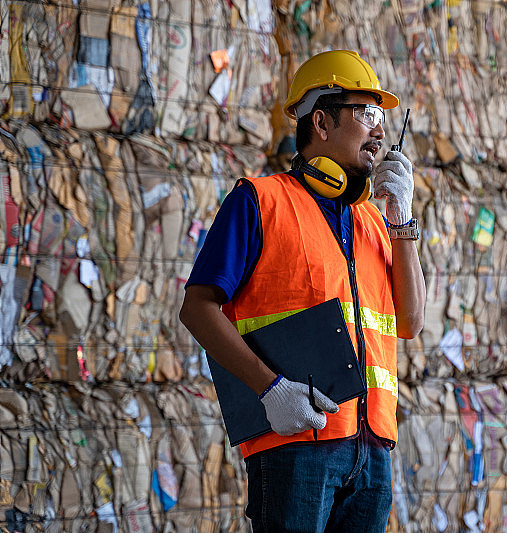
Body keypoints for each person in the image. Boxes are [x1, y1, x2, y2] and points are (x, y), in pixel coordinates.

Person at [179, 50, 426, 532]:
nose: (380, 131)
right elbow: (197, 309)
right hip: (296, 443)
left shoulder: (376, 222)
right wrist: (268, 388)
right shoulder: (259, 200)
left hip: (372, 450)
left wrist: (403, 224)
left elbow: (410, 323)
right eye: (367, 113)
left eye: (383, 118)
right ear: (322, 122)